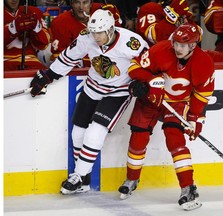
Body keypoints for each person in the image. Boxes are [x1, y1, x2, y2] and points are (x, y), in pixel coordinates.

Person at [29, 9, 149, 194]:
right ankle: (83, 181)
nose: (96, 36)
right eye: (93, 31)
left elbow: (150, 64)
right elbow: (69, 58)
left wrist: (143, 82)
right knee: (77, 133)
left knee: (95, 133)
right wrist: (48, 77)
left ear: (110, 29)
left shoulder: (131, 42)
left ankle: (77, 175)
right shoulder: (87, 37)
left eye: (100, 32)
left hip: (117, 92)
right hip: (92, 87)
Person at [118, 23, 215, 210]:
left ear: (193, 45)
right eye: (176, 43)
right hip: (152, 98)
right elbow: (134, 67)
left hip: (178, 104)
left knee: (175, 139)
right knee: (138, 137)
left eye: (183, 45)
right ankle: (131, 180)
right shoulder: (161, 49)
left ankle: (188, 187)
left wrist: (195, 119)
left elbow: (202, 95)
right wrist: (148, 81)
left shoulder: (204, 63)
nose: (177, 48)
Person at [49, 0, 122, 67]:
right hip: (80, 70)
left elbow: (119, 40)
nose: (81, 7)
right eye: (77, 2)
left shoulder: (104, 11)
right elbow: (61, 60)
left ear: (91, 3)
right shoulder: (60, 22)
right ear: (71, 3)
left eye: (85, 2)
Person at [4, 0, 50, 70]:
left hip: (31, 61)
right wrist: (12, 29)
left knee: (45, 76)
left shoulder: (33, 12)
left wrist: (37, 28)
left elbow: (44, 45)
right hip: (4, 61)